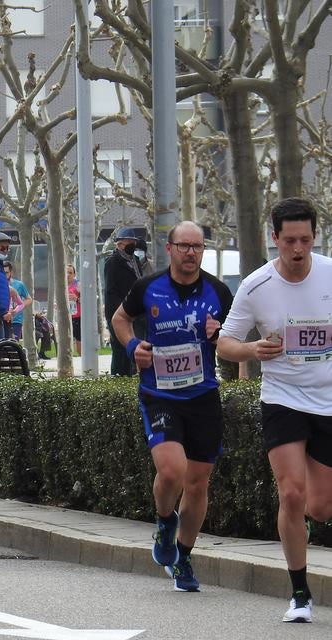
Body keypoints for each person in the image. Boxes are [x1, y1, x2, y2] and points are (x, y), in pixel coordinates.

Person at [217, 196, 332, 623]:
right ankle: (299, 594)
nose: (298, 249)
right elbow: (225, 342)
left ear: (314, 237)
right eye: (289, 241)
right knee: (291, 493)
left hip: (328, 401)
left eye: (305, 240)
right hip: (283, 399)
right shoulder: (256, 285)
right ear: (274, 239)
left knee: (320, 507)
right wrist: (251, 348)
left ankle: (305, 532)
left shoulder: (330, 274)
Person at [111, 221, 233, 592]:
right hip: (160, 394)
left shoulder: (219, 291)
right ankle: (166, 520)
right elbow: (120, 319)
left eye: (197, 247)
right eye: (184, 246)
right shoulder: (148, 287)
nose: (191, 253)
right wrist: (133, 348)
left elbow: (235, 335)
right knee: (172, 471)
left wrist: (221, 334)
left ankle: (183, 557)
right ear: (170, 248)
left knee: (197, 484)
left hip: (203, 396)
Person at [104, 226, 151, 376]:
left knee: (133, 346)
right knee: (120, 349)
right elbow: (111, 292)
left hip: (137, 313)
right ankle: (119, 377)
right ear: (119, 245)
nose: (132, 245)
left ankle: (130, 376)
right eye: (128, 242)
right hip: (119, 313)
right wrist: (122, 310)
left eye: (133, 242)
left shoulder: (135, 260)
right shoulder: (112, 263)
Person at [3, 260, 31, 343]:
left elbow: (29, 299)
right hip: (2, 320)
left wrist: (16, 310)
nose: (4, 275)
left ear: (11, 272)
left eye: (6, 273)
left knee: (14, 344)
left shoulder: (19, 285)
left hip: (16, 320)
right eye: (2, 273)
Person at [66, 263, 82, 356]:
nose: (68, 274)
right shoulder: (62, 285)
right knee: (67, 340)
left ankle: (82, 360)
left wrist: (76, 299)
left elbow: (86, 301)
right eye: (66, 272)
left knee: (79, 340)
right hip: (66, 317)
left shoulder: (77, 284)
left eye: (70, 273)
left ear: (74, 274)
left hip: (77, 317)